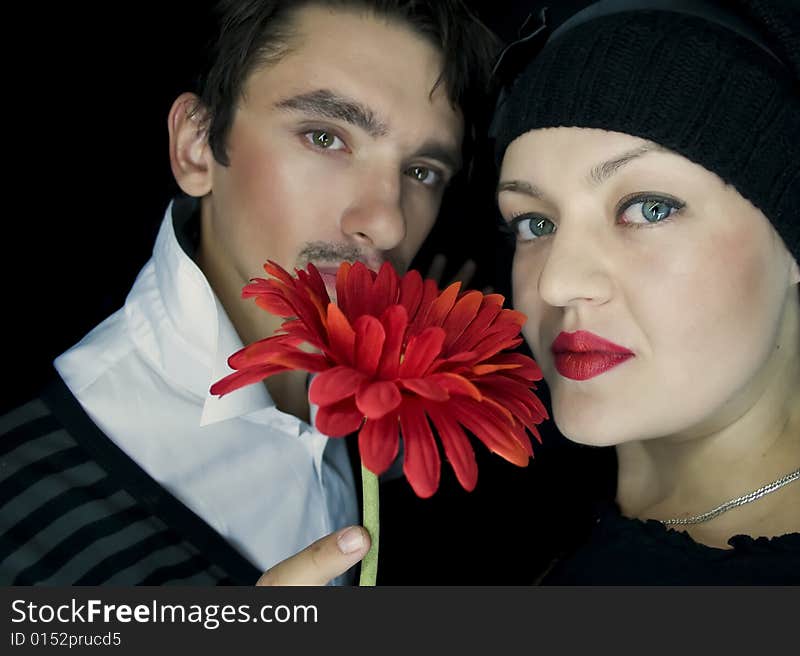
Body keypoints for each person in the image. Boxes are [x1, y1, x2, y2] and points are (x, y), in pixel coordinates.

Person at [0, 0, 501, 586]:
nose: (388, 224)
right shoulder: (21, 508)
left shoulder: (388, 419)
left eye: (422, 172)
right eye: (325, 137)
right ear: (196, 146)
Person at [487, 0, 800, 583]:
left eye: (649, 208)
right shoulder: (518, 500)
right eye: (535, 224)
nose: (558, 282)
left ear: (797, 238)